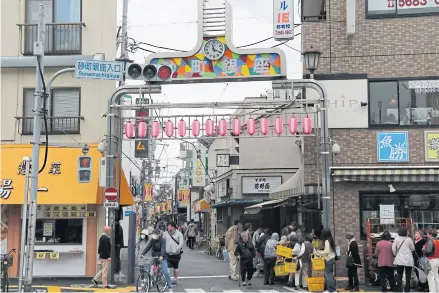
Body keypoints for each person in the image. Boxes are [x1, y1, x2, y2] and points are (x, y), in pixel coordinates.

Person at [392, 226, 415, 293]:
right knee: (408, 275)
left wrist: (396, 254)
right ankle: (407, 290)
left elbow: (393, 248)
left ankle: (399, 290)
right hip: (408, 260)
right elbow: (413, 248)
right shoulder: (409, 239)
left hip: (399, 259)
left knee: (399, 275)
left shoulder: (396, 239)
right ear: (406, 232)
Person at [315, 228, 336, 293]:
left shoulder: (327, 241)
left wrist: (319, 252)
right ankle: (333, 289)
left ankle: (330, 290)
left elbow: (326, 251)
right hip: (331, 258)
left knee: (328, 275)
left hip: (328, 259)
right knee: (330, 275)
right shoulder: (330, 240)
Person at [424, 228, 439, 293]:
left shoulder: (430, 241)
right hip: (437, 259)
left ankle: (432, 291)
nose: (426, 235)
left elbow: (429, 250)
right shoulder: (437, 241)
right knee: (436, 275)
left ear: (430, 235)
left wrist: (424, 249)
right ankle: (437, 290)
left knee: (430, 275)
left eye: (427, 234)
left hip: (431, 259)